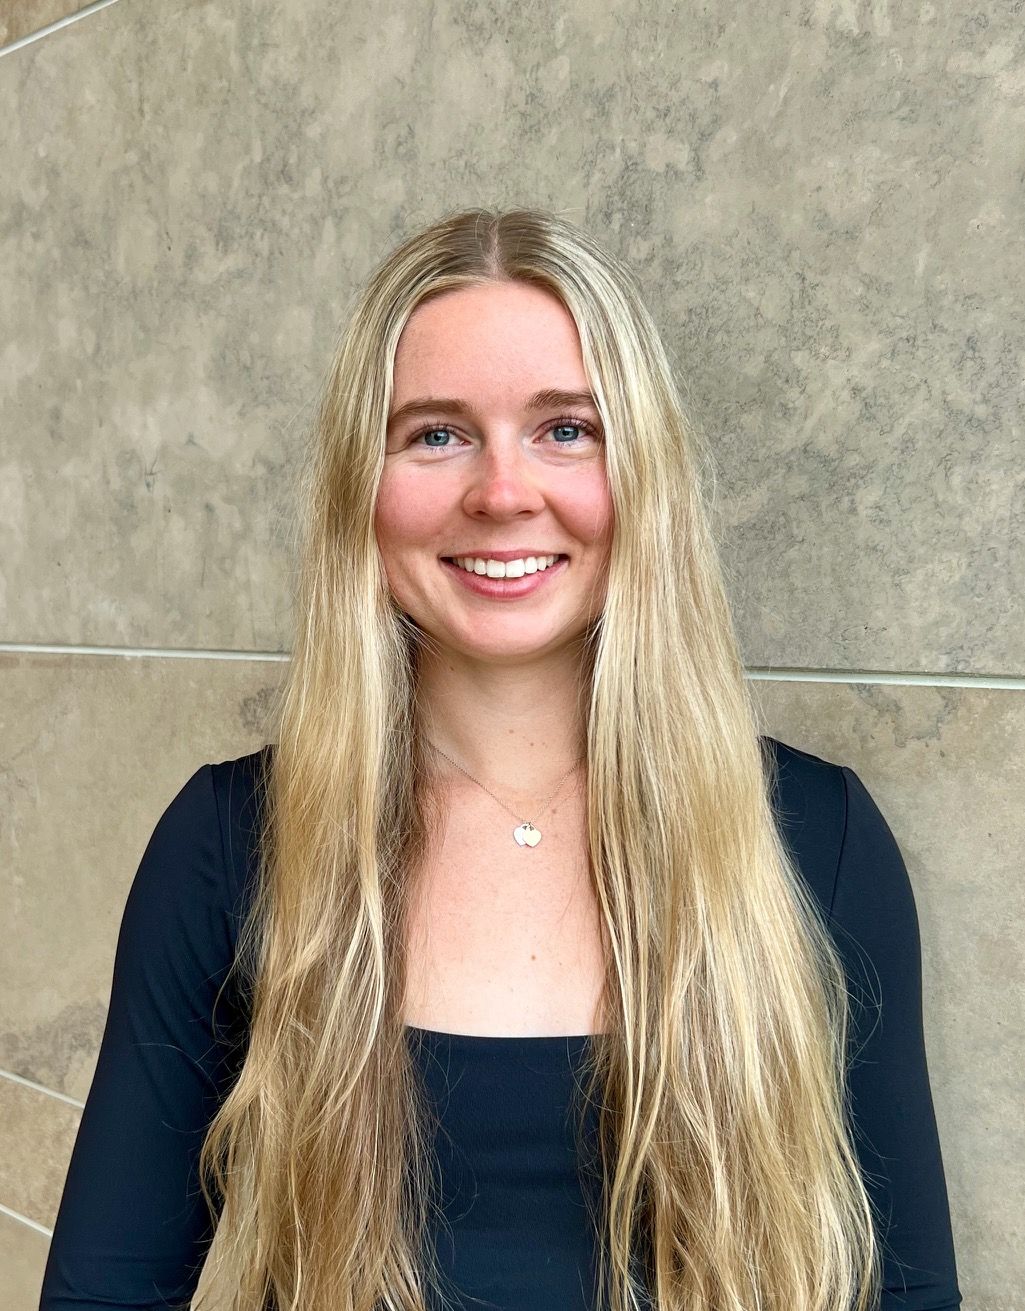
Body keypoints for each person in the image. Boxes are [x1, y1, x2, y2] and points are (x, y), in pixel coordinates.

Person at [39, 208, 963, 1311]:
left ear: (643, 478)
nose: (502, 491)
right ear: (359, 491)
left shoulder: (817, 837)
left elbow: (906, 1294)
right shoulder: (227, 843)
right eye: (435, 433)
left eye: (565, 429)